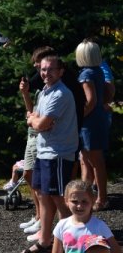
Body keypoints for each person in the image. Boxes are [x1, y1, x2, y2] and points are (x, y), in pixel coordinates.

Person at [21, 55, 78, 253]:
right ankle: (45, 241)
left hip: (58, 153)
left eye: (51, 69)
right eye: (43, 69)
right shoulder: (45, 91)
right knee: (44, 196)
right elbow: (37, 118)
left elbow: (41, 124)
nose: (46, 73)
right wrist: (35, 120)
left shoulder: (61, 94)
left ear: (61, 71)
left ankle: (67, 244)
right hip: (44, 151)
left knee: (59, 199)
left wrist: (34, 121)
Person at [75, 40, 109, 211]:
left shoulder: (86, 74)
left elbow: (91, 101)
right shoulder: (98, 71)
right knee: (89, 161)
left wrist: (78, 118)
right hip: (98, 120)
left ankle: (101, 199)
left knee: (95, 162)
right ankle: (88, 197)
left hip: (89, 123)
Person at [52, 180, 121, 253]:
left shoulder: (99, 226)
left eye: (84, 201)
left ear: (93, 201)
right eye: (74, 201)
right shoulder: (62, 225)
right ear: (66, 201)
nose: (79, 206)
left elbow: (116, 250)